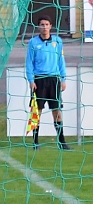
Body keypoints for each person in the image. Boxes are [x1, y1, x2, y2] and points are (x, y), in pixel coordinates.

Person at [25, 16, 69, 150]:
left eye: (47, 24)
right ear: (39, 27)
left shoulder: (57, 41)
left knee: (57, 111)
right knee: (36, 111)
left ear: (51, 26)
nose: (44, 27)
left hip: (54, 79)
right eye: (42, 24)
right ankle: (35, 142)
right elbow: (29, 63)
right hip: (39, 80)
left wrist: (63, 79)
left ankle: (62, 143)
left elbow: (61, 61)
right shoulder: (33, 42)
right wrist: (31, 80)